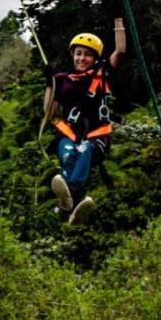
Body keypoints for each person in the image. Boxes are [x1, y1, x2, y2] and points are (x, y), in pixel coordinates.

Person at [46, 19, 126, 225]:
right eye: (78, 53)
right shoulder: (62, 78)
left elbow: (121, 50)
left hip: (96, 137)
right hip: (68, 134)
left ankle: (69, 194)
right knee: (69, 152)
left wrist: (118, 21)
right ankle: (72, 206)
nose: (82, 58)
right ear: (72, 54)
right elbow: (49, 112)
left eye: (87, 54)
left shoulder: (102, 74)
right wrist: (49, 84)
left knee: (83, 149)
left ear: (95, 57)